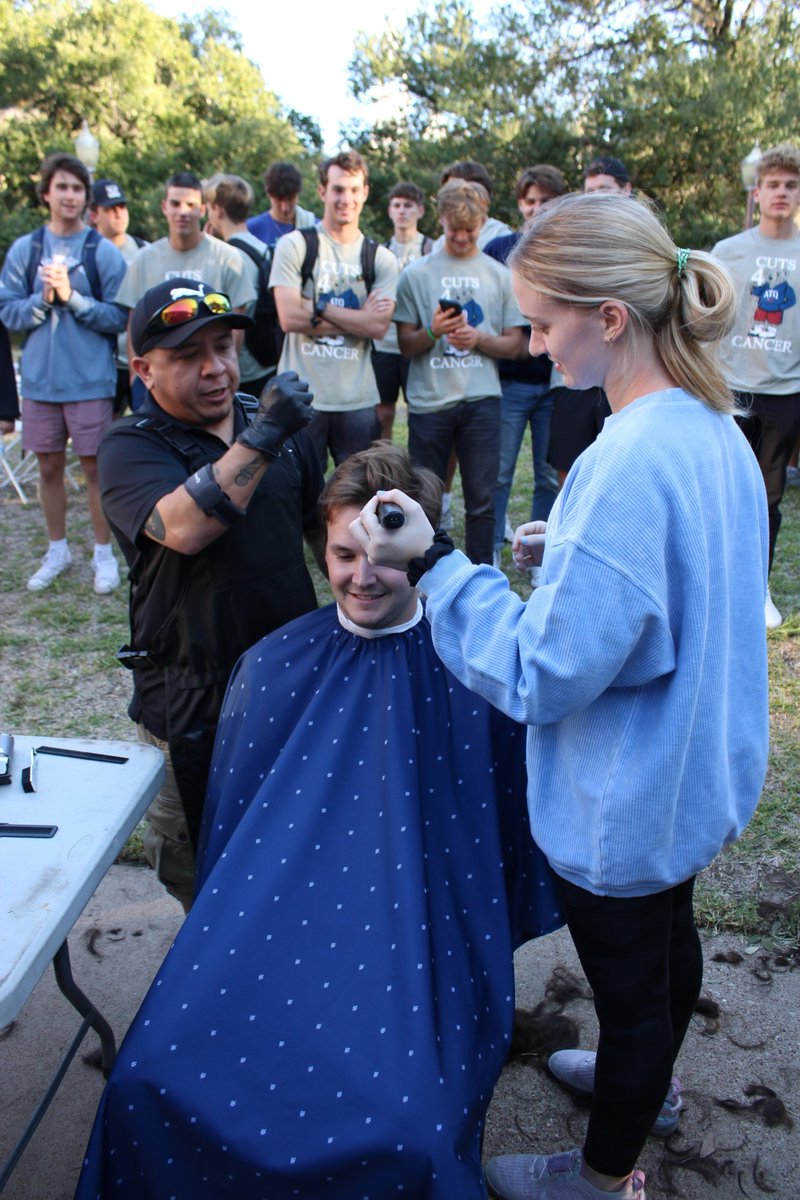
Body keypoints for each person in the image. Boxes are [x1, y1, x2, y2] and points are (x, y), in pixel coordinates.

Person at [353, 192, 770, 1200]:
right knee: (665, 956)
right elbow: (671, 583)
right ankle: (651, 1082)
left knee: (631, 995)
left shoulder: (627, 457)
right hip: (690, 776)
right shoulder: (709, 423)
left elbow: (542, 674)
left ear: (610, 317)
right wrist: (565, 554)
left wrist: (439, 562)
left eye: (541, 324)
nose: (531, 346)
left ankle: (598, 1175)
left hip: (624, 798)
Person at [74, 441, 561, 1200]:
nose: (364, 575)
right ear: (319, 548)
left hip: (416, 942)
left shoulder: (480, 672)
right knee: (146, 1080)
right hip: (266, 937)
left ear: (426, 551)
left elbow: (496, 855)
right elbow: (236, 862)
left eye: (386, 557)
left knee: (408, 1131)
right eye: (342, 553)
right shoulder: (270, 668)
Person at [99, 278, 323, 910]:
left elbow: (319, 527)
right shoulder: (130, 445)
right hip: (191, 701)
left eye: (223, 347)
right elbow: (186, 527)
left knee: (293, 849)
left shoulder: (274, 423)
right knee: (200, 875)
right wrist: (270, 432)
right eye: (188, 356)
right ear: (142, 369)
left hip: (289, 683)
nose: (215, 369)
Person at [0, 151, 127, 593]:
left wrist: (73, 298)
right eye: (62, 187)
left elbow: (121, 316)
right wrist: (42, 301)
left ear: (85, 197)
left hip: (90, 382)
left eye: (77, 188)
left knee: (95, 470)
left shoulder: (102, 252)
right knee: (48, 468)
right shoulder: (25, 249)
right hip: (39, 384)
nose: (69, 196)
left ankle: (103, 553)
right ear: (46, 194)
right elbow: (8, 312)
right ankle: (57, 550)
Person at [394, 178, 526, 564]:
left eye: (471, 230)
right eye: (455, 230)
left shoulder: (500, 275)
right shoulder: (416, 274)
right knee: (425, 500)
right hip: (429, 402)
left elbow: (516, 345)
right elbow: (405, 345)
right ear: (441, 221)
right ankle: (430, 577)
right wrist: (434, 331)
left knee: (481, 501)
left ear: (483, 222)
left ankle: (484, 576)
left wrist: (477, 339)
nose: (463, 238)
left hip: (482, 400)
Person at [712, 142, 800, 629]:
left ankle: (758, 589)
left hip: (786, 392)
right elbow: (707, 317)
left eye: (790, 184)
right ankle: (721, 584)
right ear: (758, 192)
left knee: (768, 496)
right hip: (731, 388)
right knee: (725, 494)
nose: (782, 192)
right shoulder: (729, 252)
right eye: (773, 185)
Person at [271, 150, 398, 470]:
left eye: (354, 189)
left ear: (366, 193)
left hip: (358, 400)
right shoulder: (296, 245)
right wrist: (359, 318)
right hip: (300, 396)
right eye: (338, 189)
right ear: (323, 191)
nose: (346, 198)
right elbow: (288, 317)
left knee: (355, 501)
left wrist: (315, 306)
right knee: (297, 498)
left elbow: (378, 328)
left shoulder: (379, 258)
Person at [485, 166, 567, 571]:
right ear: (520, 204)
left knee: (548, 477)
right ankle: (494, 554)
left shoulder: (569, 249)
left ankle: (539, 558)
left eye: (545, 201)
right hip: (511, 380)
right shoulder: (499, 249)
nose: (537, 208)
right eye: (530, 201)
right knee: (499, 473)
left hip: (557, 380)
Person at [114, 171, 255, 390]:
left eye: (190, 205)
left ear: (202, 209)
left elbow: (237, 321)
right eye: (175, 203)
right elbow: (134, 322)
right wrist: (137, 379)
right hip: (158, 385)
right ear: (164, 207)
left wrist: (226, 373)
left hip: (210, 381)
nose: (182, 212)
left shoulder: (228, 258)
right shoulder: (144, 259)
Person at [372, 180, 434, 440]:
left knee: (418, 412)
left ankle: (413, 472)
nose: (401, 211)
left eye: (408, 205)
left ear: (420, 210)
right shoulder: (379, 250)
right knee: (383, 413)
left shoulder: (430, 248)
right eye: (396, 205)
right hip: (385, 343)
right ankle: (386, 470)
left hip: (417, 342)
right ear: (389, 210)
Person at [203, 172, 274, 396]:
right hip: (269, 360)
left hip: (243, 370)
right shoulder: (264, 249)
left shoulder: (227, 257)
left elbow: (226, 313)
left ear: (218, 209)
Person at [89, 177, 148, 416]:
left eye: (121, 206)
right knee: (104, 438)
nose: (118, 214)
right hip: (104, 363)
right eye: (109, 209)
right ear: (94, 215)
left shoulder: (144, 250)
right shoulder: (87, 254)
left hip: (139, 359)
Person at [246, 159, 317, 248]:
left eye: (290, 199)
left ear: (298, 194)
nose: (285, 208)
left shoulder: (314, 228)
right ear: (269, 194)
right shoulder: (250, 229)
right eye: (278, 200)